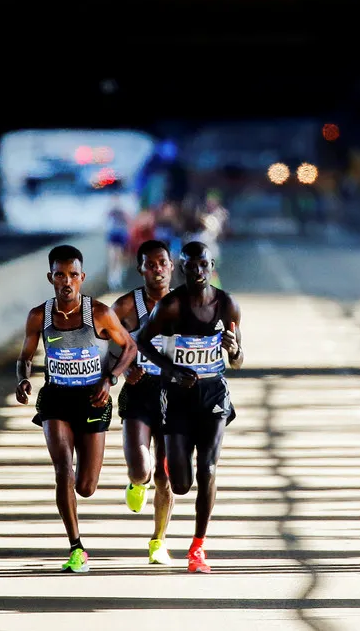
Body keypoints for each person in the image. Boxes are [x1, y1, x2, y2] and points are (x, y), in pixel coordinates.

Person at [15, 244, 137, 574]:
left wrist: (111, 378)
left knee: (85, 486)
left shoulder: (99, 313)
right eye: (59, 275)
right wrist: (23, 379)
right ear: (50, 278)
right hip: (55, 398)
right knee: (63, 471)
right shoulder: (39, 316)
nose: (66, 282)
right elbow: (25, 357)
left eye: (72, 275)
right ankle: (76, 547)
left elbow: (129, 346)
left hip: (92, 398)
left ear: (82, 277)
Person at [136, 241, 242, 574]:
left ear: (212, 266)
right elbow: (141, 341)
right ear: (182, 269)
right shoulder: (170, 306)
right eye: (191, 266)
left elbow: (238, 360)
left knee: (207, 469)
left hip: (213, 395)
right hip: (178, 397)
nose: (198, 272)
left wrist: (234, 349)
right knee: (181, 485)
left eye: (203, 265)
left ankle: (198, 547)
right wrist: (171, 369)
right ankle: (172, 461)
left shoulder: (227, 305)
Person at [109, 239, 176, 565]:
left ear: (171, 266)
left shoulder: (184, 304)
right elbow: (104, 343)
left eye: (162, 263)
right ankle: (137, 483)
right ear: (140, 269)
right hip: (139, 391)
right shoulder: (126, 306)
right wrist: (124, 369)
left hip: (174, 394)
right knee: (141, 469)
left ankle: (158, 541)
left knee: (165, 474)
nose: (157, 269)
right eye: (151, 264)